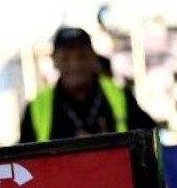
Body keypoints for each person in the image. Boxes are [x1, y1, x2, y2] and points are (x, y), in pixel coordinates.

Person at [19, 26, 156, 143]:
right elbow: (24, 158)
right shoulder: (37, 107)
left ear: (93, 57)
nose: (75, 65)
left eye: (81, 57)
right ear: (55, 61)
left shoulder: (120, 95)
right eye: (66, 59)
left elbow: (150, 138)